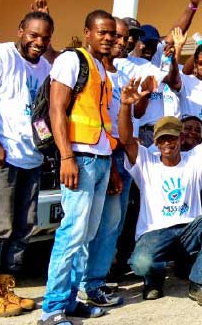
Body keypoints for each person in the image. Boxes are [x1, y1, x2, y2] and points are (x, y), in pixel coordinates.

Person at [118, 78, 202, 307]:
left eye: (172, 137)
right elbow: (126, 139)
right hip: (155, 232)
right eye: (162, 139)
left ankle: (199, 284)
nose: (167, 143)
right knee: (141, 263)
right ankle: (154, 278)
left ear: (180, 138)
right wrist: (125, 106)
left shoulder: (193, 160)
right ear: (156, 142)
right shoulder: (146, 162)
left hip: (188, 229)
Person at [39, 10, 117, 325]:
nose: (109, 38)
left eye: (112, 33)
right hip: (80, 159)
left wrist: (109, 166)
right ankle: (52, 308)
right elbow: (57, 109)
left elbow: (103, 122)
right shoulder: (72, 60)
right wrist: (67, 157)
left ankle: (70, 301)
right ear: (87, 32)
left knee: (87, 234)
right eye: (102, 32)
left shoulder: (101, 68)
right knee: (71, 233)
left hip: (101, 159)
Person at [0, 10, 53, 317]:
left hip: (32, 158)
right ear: (20, 31)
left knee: (24, 226)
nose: (38, 42)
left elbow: (39, 114)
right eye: (33, 35)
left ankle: (4, 287)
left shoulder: (44, 68)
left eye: (45, 37)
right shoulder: (1, 55)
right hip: (4, 155)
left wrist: (45, 144)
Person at [78, 18, 148, 308]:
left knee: (111, 224)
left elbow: (128, 118)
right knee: (87, 224)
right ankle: (80, 284)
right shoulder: (89, 72)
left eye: (124, 38)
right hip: (97, 153)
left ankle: (95, 282)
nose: (120, 42)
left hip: (121, 154)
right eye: (115, 36)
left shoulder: (120, 76)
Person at [164, 28, 202, 132]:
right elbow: (177, 75)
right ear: (195, 63)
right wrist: (176, 53)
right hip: (190, 137)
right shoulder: (185, 81)